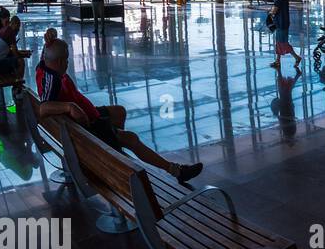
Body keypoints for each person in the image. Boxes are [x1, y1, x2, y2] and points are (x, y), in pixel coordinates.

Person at [35, 39, 202, 184]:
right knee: (132, 139)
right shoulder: (52, 80)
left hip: (87, 120)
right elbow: (43, 108)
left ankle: (116, 143)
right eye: (66, 60)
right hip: (89, 128)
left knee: (119, 112)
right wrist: (70, 106)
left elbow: (48, 54)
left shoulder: (46, 67)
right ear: (57, 62)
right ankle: (175, 170)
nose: (68, 63)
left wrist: (50, 38)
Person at [0, 15, 29, 83]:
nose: (18, 29)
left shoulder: (4, 29)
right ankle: (19, 84)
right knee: (21, 61)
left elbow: (8, 51)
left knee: (14, 60)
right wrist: (22, 55)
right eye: (18, 26)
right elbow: (15, 53)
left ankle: (16, 81)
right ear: (14, 24)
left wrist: (23, 53)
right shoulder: (11, 32)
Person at [270, 0, 301, 69]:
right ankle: (278, 61)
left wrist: (270, 13)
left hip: (280, 23)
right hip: (285, 22)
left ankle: (297, 57)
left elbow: (274, 10)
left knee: (282, 42)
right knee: (279, 42)